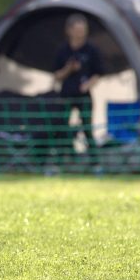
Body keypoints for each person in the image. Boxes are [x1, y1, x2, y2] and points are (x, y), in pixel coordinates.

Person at [53, 13, 103, 170]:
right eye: (78, 29)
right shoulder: (62, 50)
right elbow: (56, 75)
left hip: (84, 96)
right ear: (69, 30)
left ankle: (95, 164)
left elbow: (99, 72)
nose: (81, 32)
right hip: (66, 95)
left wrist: (88, 84)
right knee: (62, 129)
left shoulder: (91, 50)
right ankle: (59, 163)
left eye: (83, 29)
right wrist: (69, 69)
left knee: (88, 129)